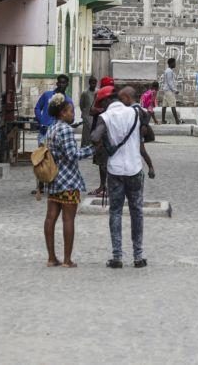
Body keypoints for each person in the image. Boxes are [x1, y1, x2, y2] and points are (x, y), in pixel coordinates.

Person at [91, 87, 156, 269]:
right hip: (135, 169)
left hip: (115, 171)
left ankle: (117, 256)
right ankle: (138, 256)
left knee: (116, 212)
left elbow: (95, 137)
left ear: (105, 102)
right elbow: (148, 127)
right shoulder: (135, 112)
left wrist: (103, 139)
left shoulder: (106, 117)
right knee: (137, 212)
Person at [43, 94, 94, 268]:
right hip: (68, 179)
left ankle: (51, 257)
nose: (73, 114)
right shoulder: (65, 129)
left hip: (53, 179)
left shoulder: (52, 128)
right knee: (68, 219)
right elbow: (72, 155)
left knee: (50, 218)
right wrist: (91, 150)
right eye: (71, 111)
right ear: (63, 113)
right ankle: (67, 259)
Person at [32, 74, 73, 198]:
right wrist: (41, 121)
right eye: (60, 82)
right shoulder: (47, 95)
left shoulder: (68, 101)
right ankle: (40, 185)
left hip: (58, 134)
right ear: (57, 83)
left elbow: (71, 117)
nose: (61, 85)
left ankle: (54, 183)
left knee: (56, 159)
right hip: (44, 132)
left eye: (64, 83)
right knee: (41, 159)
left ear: (67, 85)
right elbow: (37, 108)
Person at [88, 84, 116, 198]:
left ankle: (109, 188)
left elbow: (95, 137)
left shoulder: (110, 113)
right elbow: (91, 111)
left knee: (108, 164)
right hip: (102, 137)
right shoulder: (99, 99)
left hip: (107, 139)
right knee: (102, 164)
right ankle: (103, 186)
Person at [161, 58, 182, 125]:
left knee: (164, 106)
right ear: (171, 63)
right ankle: (177, 121)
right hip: (169, 91)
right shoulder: (169, 71)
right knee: (173, 105)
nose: (175, 64)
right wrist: (175, 90)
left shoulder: (167, 70)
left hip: (166, 90)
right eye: (174, 63)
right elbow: (170, 82)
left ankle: (163, 120)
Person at [79, 77, 97, 145]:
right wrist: (85, 113)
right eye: (92, 83)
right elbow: (81, 105)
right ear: (89, 83)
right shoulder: (85, 93)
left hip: (95, 116)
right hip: (87, 116)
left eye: (95, 83)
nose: (93, 85)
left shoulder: (98, 92)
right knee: (86, 134)